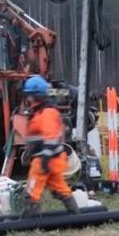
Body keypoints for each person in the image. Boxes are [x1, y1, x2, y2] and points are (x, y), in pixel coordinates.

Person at [21, 75, 78, 216]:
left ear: (37, 96)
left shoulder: (46, 113)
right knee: (60, 188)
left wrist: (44, 159)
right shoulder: (40, 112)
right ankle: (74, 214)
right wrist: (29, 152)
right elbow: (37, 138)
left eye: (29, 96)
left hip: (46, 159)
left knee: (32, 191)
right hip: (53, 159)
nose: (27, 99)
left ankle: (30, 217)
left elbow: (51, 138)